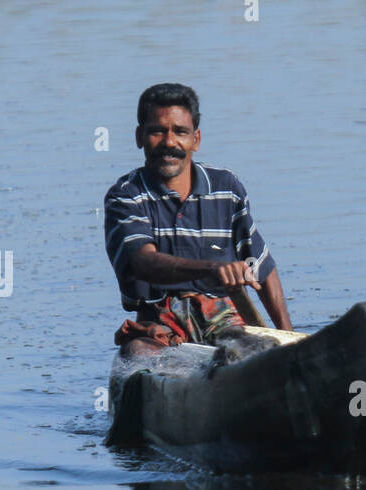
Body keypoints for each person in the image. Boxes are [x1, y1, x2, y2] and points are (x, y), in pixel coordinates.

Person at [104, 83, 292, 358]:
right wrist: (212, 269)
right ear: (139, 137)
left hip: (223, 319)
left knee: (253, 352)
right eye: (157, 131)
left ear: (196, 140)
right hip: (160, 323)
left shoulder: (226, 188)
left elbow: (261, 266)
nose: (170, 142)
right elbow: (143, 263)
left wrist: (289, 338)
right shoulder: (126, 196)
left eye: (180, 132)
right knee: (137, 354)